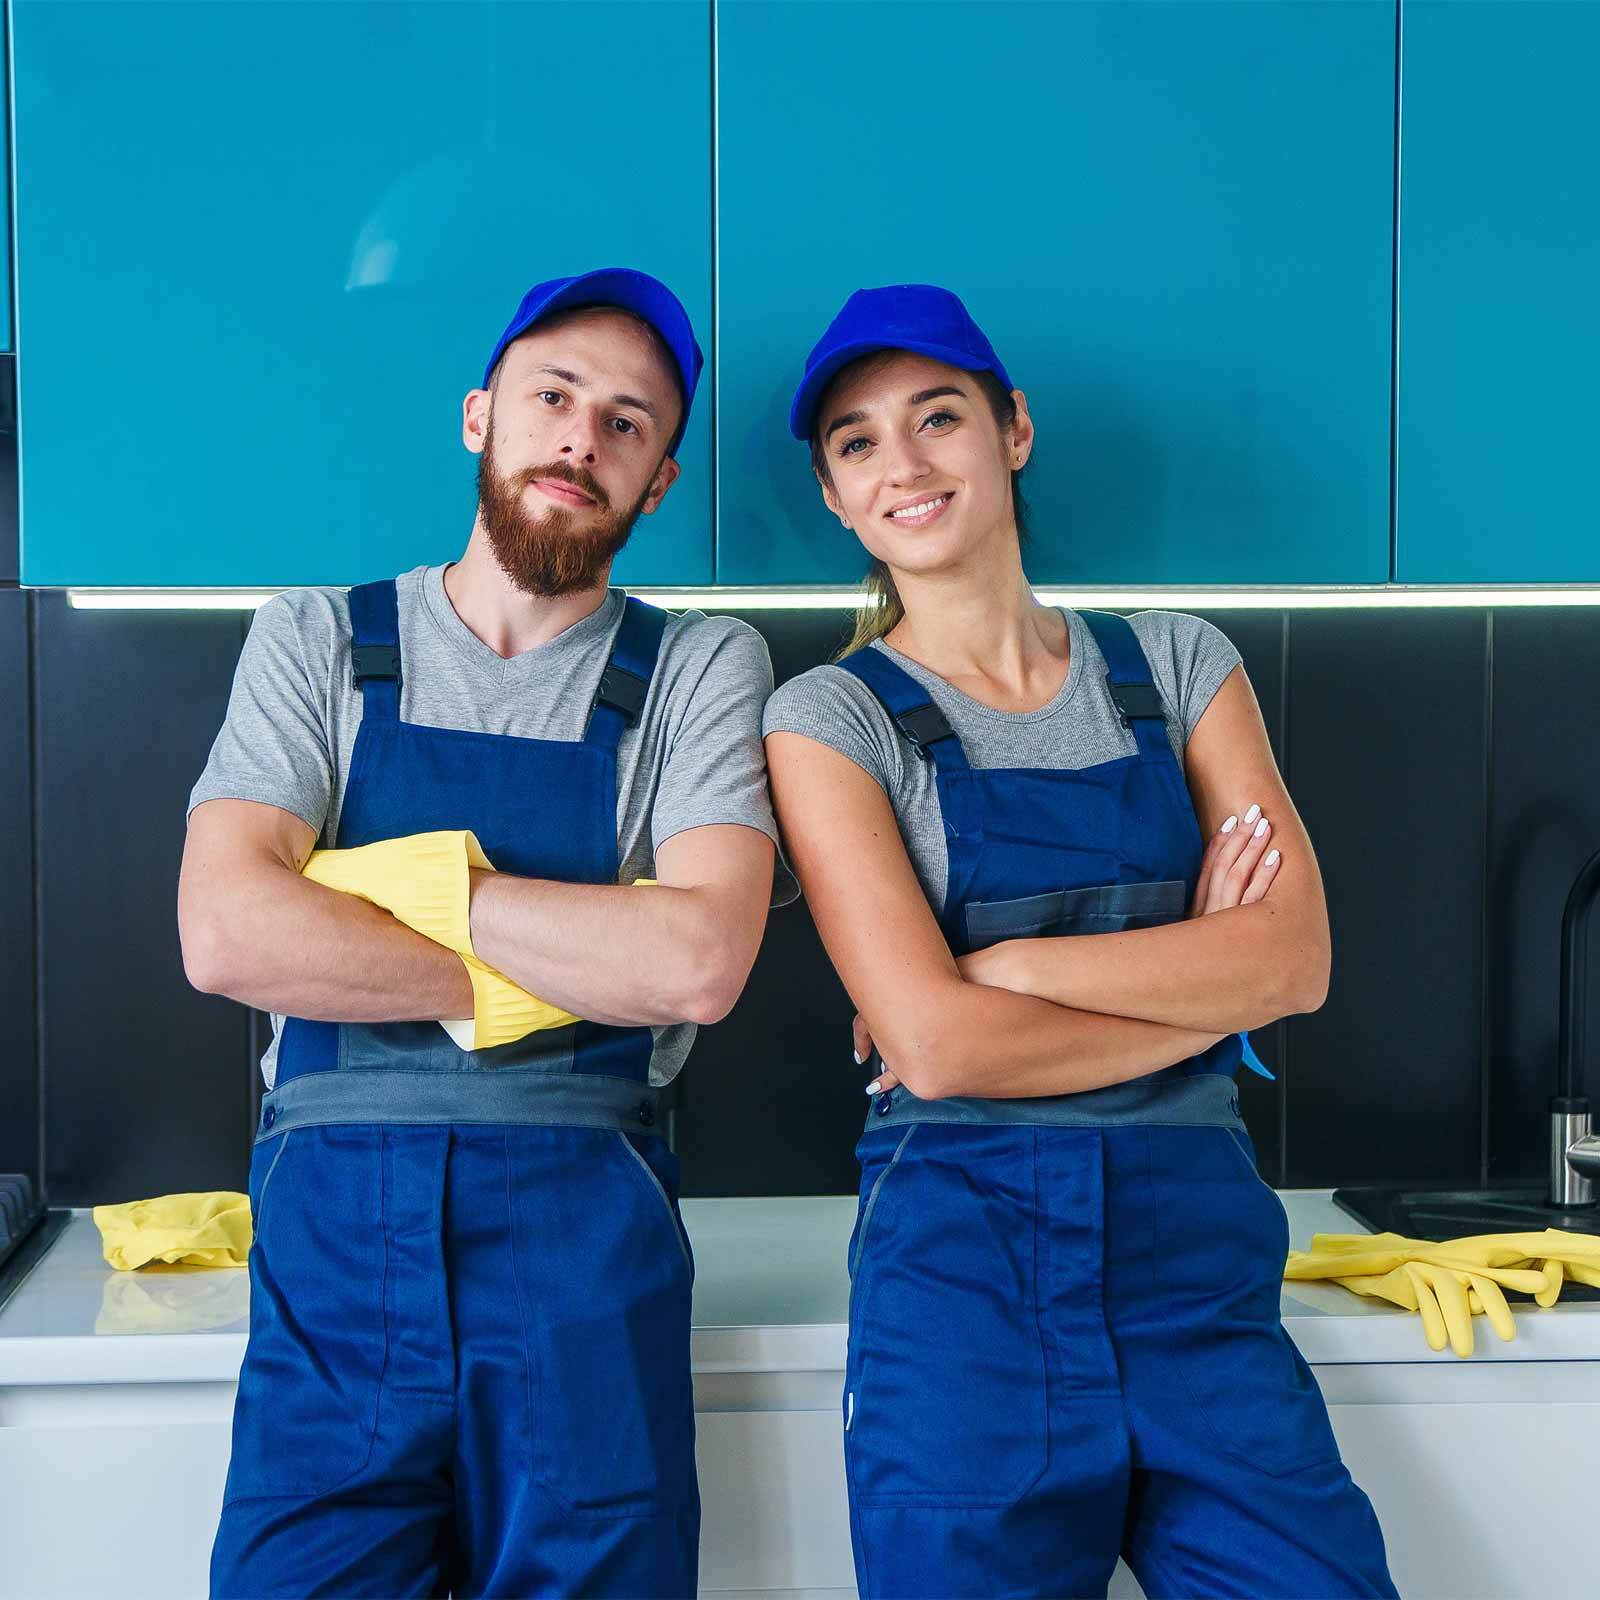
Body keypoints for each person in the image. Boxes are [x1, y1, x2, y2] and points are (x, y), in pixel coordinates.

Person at [762, 283, 1397, 1599]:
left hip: (1200, 1291)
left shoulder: (1175, 665)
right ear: (833, 495)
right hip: (962, 1306)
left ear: (1014, 431)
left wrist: (1010, 971)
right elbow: (933, 1049)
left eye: (939, 417)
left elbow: (1295, 964)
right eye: (858, 442)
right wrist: (1196, 981)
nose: (905, 464)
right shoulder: (829, 719)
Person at [181, 267, 795, 1598]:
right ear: (481, 416)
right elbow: (226, 930)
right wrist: (563, 966)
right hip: (333, 1248)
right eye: (555, 397)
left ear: (661, 481)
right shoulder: (316, 641)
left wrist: (390, 885)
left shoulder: (700, 667)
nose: (583, 439)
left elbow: (696, 961)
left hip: (582, 1246)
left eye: (627, 423)